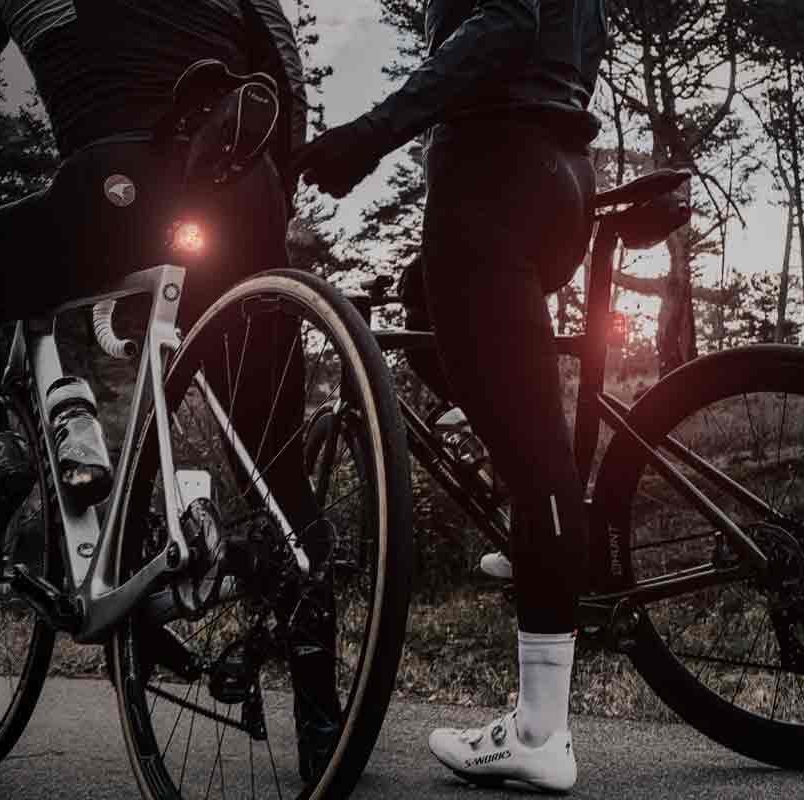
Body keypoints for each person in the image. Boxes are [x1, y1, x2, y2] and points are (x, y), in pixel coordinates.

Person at [0, 0, 342, 783]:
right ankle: (326, 723)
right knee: (275, 470)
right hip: (242, 190)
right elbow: (282, 59)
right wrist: (276, 187)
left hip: (115, 184)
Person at [291, 0, 607, 792]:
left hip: (491, 179)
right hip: (563, 175)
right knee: (424, 300)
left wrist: (370, 134)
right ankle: (532, 516)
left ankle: (538, 731)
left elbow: (503, 20)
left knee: (538, 456)